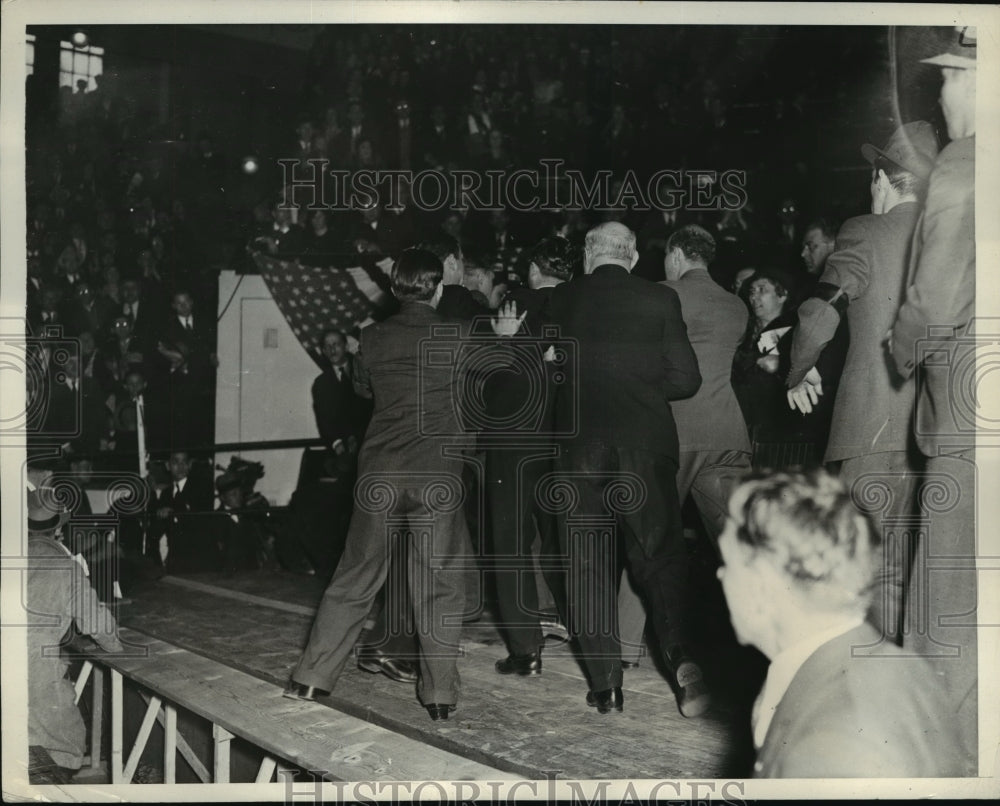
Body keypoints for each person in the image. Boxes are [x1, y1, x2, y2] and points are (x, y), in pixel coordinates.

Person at [284, 248, 522, 720]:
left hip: (381, 476)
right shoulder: (458, 334)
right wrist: (507, 339)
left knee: (355, 576)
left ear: (395, 290)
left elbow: (362, 390)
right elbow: (503, 374)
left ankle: (311, 679)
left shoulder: (371, 338)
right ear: (437, 289)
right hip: (437, 476)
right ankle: (438, 697)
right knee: (438, 585)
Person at [784, 121, 939, 644]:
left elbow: (819, 315)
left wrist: (796, 371)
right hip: (934, 434)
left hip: (869, 428)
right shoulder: (952, 237)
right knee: (907, 577)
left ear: (882, 179)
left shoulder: (864, 232)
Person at [547, 222, 708, 716]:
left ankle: (606, 683)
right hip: (645, 447)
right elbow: (686, 379)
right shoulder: (660, 300)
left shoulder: (560, 300)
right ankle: (683, 664)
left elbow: (539, 370)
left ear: (588, 257)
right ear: (634, 257)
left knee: (588, 565)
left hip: (579, 453)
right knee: (660, 558)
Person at [717, 469, 966, 777]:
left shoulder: (833, 742)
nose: (720, 576)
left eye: (727, 564)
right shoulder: (897, 667)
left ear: (762, 584)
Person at [888, 26, 978, 770]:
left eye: (948, 78)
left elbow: (935, 299)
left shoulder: (965, 164)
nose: (942, 93)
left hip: (968, 408)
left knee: (945, 590)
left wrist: (901, 343)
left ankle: (937, 753)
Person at [617, 225, 752, 666]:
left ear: (675, 255)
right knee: (742, 545)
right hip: (728, 435)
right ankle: (757, 645)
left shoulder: (661, 294)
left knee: (648, 540)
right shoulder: (737, 306)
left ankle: (624, 649)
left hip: (672, 434)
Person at [487, 236, 576, 676]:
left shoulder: (515, 303)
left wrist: (505, 346)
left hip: (514, 442)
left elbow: (492, 375)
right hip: (566, 441)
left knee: (510, 545)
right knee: (564, 540)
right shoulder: (581, 306)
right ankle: (580, 627)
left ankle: (526, 649)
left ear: (535, 270)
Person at [26, 466, 124, 777]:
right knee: (57, 752)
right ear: (58, 530)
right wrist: (117, 651)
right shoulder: (66, 567)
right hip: (39, 691)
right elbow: (100, 626)